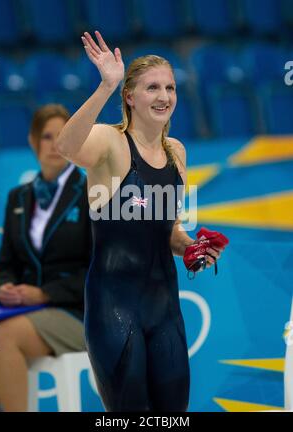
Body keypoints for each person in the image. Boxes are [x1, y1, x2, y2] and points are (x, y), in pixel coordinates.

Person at [55, 31, 225, 412]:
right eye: (152, 88)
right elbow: (65, 147)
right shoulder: (110, 143)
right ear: (130, 97)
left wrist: (194, 248)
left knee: (173, 416)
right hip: (113, 307)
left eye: (170, 87)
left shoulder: (176, 152)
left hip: (165, 308)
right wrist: (105, 86)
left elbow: (169, 232)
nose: (164, 96)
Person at [0, 104, 91, 412]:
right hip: (27, 311)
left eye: (63, 136)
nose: (55, 145)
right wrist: (6, 287)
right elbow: (7, 263)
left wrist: (45, 293)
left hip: (80, 312)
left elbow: (100, 271)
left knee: (0, 337)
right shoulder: (18, 198)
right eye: (47, 137)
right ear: (33, 142)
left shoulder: (93, 192)